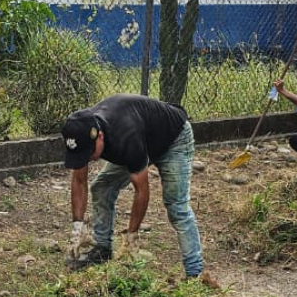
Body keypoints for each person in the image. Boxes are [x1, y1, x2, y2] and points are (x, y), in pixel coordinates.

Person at [62, 94, 205, 279]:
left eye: (88, 154)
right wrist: (77, 227)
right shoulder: (82, 132)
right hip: (144, 136)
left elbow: (142, 191)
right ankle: (102, 249)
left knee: (177, 206)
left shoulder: (125, 136)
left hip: (174, 138)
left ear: (100, 137)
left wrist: (132, 235)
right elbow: (79, 180)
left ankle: (195, 272)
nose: (86, 159)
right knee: (102, 186)